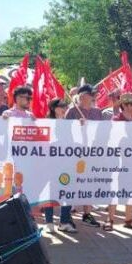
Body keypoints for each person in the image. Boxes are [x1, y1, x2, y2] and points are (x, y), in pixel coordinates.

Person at [104, 93, 132, 231]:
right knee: (115, 190)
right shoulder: (116, 120)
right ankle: (110, 220)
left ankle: (128, 219)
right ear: (125, 106)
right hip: (117, 161)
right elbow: (112, 139)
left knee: (131, 191)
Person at [65, 84, 104, 227]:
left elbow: (102, 132)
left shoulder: (97, 112)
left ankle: (87, 214)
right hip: (76, 153)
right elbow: (65, 131)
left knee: (90, 183)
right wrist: (77, 125)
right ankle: (66, 214)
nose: (94, 96)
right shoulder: (72, 111)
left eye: (94, 94)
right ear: (82, 96)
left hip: (92, 153)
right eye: (91, 94)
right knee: (72, 183)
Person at [42, 98, 78, 233]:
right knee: (50, 191)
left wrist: (82, 125)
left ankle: (64, 221)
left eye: (65, 105)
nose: (64, 108)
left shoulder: (70, 124)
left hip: (66, 162)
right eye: (61, 106)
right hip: (51, 163)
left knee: (67, 191)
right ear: (53, 108)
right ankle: (49, 221)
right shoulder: (46, 123)